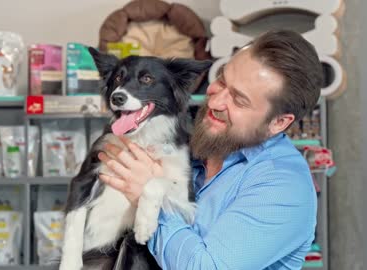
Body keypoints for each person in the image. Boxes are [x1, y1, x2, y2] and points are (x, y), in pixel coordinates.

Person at [98, 29, 323, 270]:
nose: (214, 102)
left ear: (278, 122)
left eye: (239, 100)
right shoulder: (197, 138)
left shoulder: (283, 188)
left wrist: (151, 198)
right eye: (222, 81)